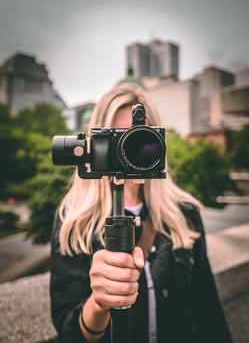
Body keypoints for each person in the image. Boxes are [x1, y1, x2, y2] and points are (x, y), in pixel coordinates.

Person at [50, 83, 232, 343]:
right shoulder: (73, 220)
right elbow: (69, 333)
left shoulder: (184, 214)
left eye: (140, 136)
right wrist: (98, 305)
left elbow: (208, 311)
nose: (131, 148)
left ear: (158, 142)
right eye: (120, 137)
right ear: (95, 143)